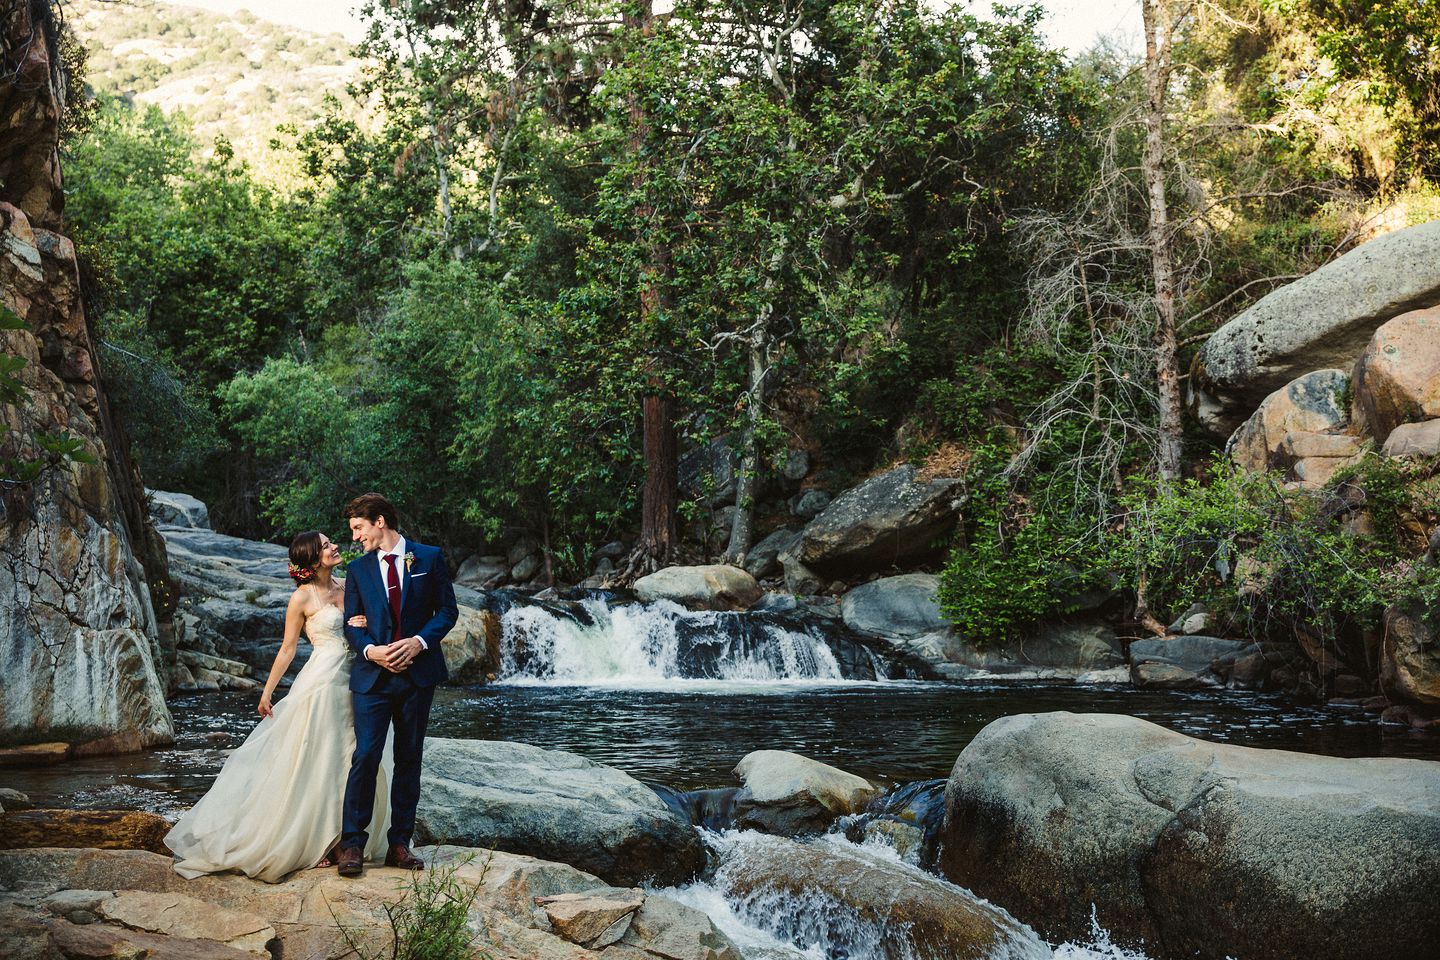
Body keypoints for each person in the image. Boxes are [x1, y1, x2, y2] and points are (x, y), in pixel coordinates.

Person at [165, 531, 393, 882]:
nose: (335, 547)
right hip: (323, 683)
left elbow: (374, 623)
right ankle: (317, 840)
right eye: (327, 545)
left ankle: (346, 837)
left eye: (333, 542)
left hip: (361, 678)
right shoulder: (301, 598)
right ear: (314, 558)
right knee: (323, 758)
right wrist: (267, 691)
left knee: (356, 757)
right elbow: (287, 649)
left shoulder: (351, 584)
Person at [337, 492, 457, 877]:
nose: (356, 537)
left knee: (409, 759)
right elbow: (351, 625)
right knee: (366, 755)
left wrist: (419, 642)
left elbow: (448, 611)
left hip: (417, 676)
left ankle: (400, 845)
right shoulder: (357, 571)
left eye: (359, 528)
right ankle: (352, 843)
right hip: (372, 679)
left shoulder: (429, 557)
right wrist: (371, 650)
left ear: (380, 521)